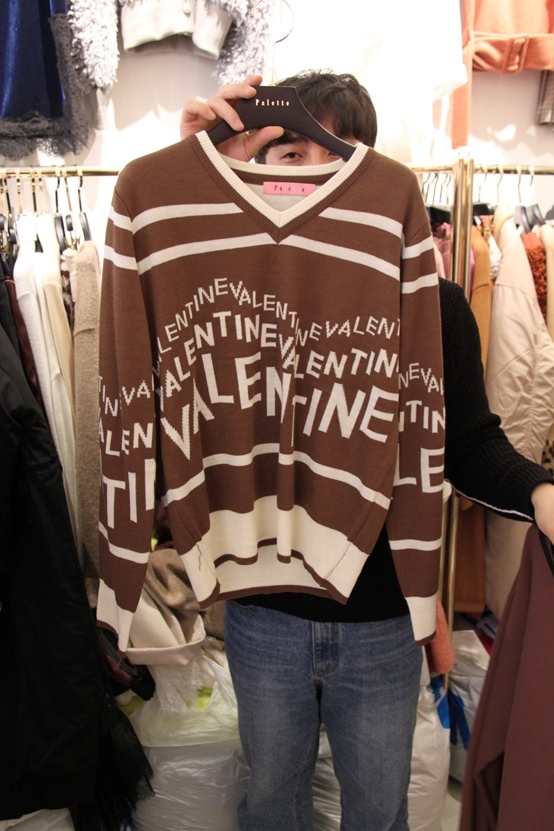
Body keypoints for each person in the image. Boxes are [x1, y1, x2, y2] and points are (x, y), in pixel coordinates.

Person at [179, 71, 554, 831]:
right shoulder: (224, 288)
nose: (317, 176)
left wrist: (541, 491)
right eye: (292, 154)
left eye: (341, 156)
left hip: (383, 617)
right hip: (264, 608)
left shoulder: (433, 302)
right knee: (271, 802)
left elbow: (466, 442)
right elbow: (169, 399)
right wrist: (194, 173)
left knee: (379, 811)